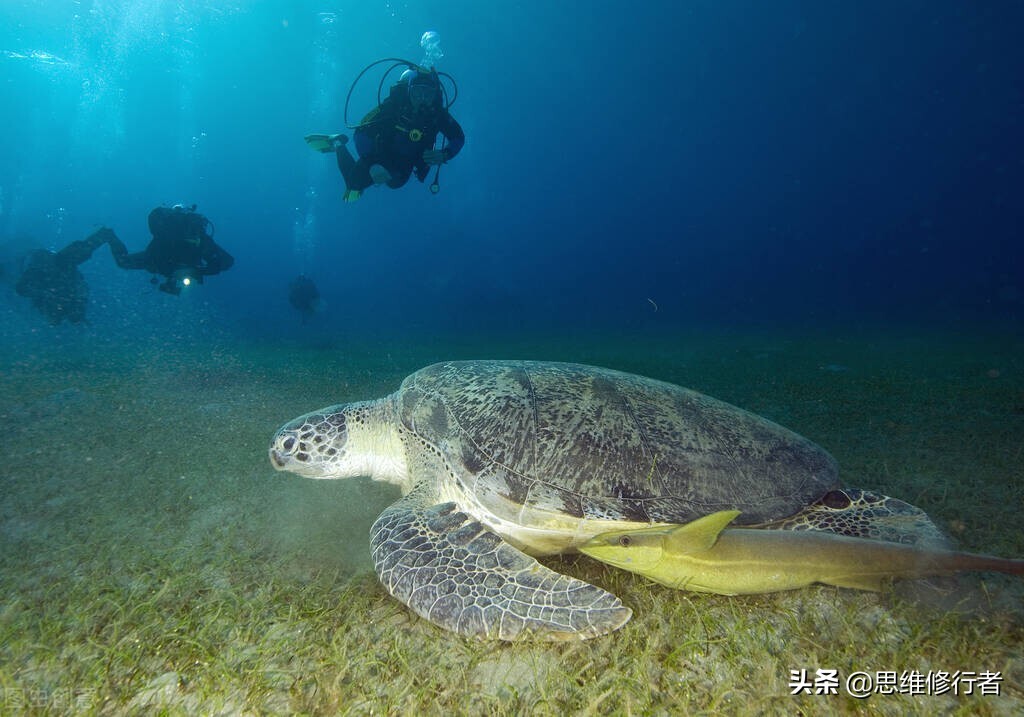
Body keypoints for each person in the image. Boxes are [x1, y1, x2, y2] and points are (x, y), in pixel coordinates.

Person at [306, 68, 465, 202]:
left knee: (395, 184)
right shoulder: (393, 107)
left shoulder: (437, 114)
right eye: (417, 92)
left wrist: (445, 154)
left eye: (428, 94)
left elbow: (458, 137)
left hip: (406, 161)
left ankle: (372, 175)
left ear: (434, 95)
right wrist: (372, 163)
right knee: (353, 183)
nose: (422, 100)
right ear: (408, 90)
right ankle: (337, 143)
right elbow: (361, 132)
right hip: (379, 154)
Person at [107, 204, 234, 295]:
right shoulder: (198, 239)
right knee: (123, 262)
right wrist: (197, 271)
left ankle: (108, 235)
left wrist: (195, 271)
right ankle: (108, 235)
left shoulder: (197, 238)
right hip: (157, 261)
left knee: (122, 262)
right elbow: (226, 262)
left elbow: (226, 262)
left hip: (156, 261)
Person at [15, 227, 116, 325]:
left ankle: (67, 315)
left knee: (66, 260)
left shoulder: (53, 267)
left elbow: (21, 289)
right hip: (57, 282)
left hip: (59, 281)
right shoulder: (42, 271)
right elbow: (21, 289)